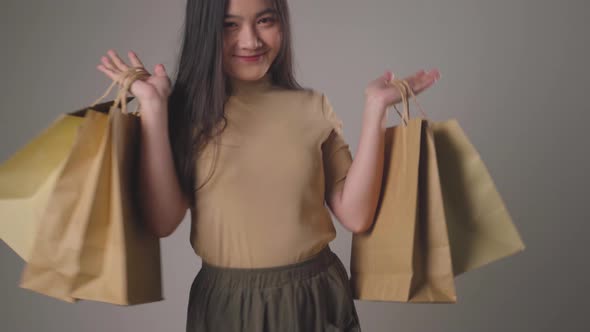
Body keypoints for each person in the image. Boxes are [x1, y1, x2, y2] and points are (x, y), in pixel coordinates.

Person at [97, 0, 440, 330]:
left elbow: (356, 215)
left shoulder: (310, 107)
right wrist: (155, 109)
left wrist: (375, 110)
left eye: (265, 20)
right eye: (229, 25)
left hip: (314, 297)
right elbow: (162, 220)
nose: (251, 40)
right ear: (205, 30)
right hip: (227, 306)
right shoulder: (185, 115)